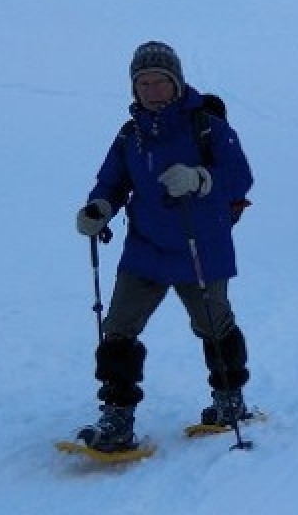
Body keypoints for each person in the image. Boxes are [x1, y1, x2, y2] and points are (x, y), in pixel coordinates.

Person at [73, 41, 255, 452]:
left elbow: (240, 176)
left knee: (214, 325)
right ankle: (117, 417)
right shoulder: (130, 134)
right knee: (117, 330)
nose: (152, 91)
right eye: (144, 83)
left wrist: (200, 179)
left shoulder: (207, 125)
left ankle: (230, 400)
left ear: (177, 83)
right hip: (146, 247)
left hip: (201, 244)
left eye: (161, 82)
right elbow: (112, 181)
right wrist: (100, 206)